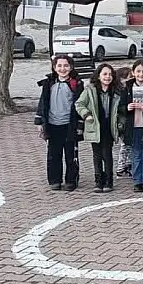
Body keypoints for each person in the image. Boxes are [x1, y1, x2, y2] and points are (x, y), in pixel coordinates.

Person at [36, 55, 83, 192]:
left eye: (66, 66)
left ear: (71, 67)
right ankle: (55, 180)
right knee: (53, 155)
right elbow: (43, 103)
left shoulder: (76, 84)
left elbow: (80, 105)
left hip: (69, 125)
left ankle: (71, 180)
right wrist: (40, 122)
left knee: (71, 155)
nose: (63, 69)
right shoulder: (49, 83)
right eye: (59, 66)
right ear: (54, 67)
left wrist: (80, 125)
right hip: (52, 124)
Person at [76, 63, 123, 193]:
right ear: (98, 76)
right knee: (96, 154)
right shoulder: (90, 90)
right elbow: (79, 104)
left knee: (107, 154)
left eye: (110, 74)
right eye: (104, 74)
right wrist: (86, 115)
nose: (107, 77)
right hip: (94, 126)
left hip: (109, 126)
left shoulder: (116, 92)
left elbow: (120, 109)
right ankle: (98, 180)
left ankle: (108, 180)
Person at [119, 59, 143, 192]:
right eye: (138, 71)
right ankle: (137, 181)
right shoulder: (127, 87)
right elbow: (120, 107)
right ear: (133, 73)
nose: (141, 74)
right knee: (135, 154)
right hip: (132, 125)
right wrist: (127, 107)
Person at [115, 67, 133, 179]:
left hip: (127, 121)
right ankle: (122, 166)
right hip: (123, 123)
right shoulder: (121, 91)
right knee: (126, 145)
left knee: (128, 145)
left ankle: (126, 165)